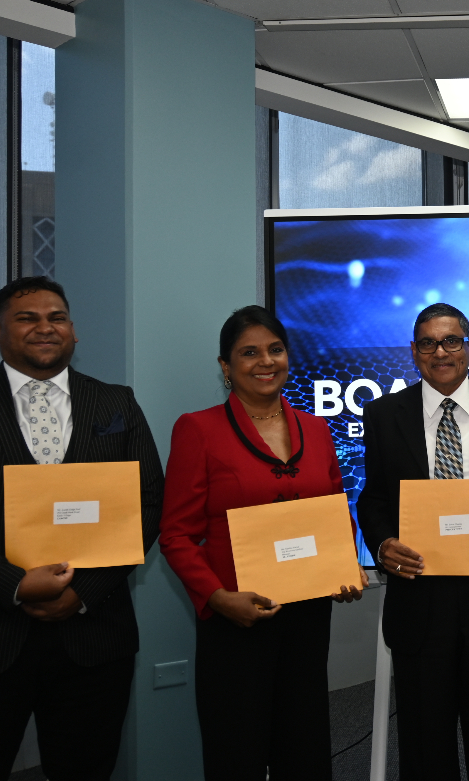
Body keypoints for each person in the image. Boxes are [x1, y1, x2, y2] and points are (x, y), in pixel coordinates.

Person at [0, 276, 164, 781]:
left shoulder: (117, 403)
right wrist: (14, 585)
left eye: (56, 317)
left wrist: (81, 592)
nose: (45, 327)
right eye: (26, 318)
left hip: (93, 638)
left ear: (73, 331)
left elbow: (147, 504)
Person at [159, 306, 365, 781]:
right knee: (238, 755)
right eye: (249, 353)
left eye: (275, 349)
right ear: (225, 366)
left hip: (308, 616)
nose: (265, 361)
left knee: (305, 750)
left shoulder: (316, 428)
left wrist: (344, 564)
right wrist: (217, 598)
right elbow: (176, 535)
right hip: (236, 619)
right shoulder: (198, 429)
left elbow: (337, 509)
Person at [356, 303, 469, 781]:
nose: (440, 352)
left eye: (451, 341)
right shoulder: (382, 415)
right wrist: (382, 543)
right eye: (428, 343)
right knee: (425, 748)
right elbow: (373, 499)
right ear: (414, 352)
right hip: (420, 602)